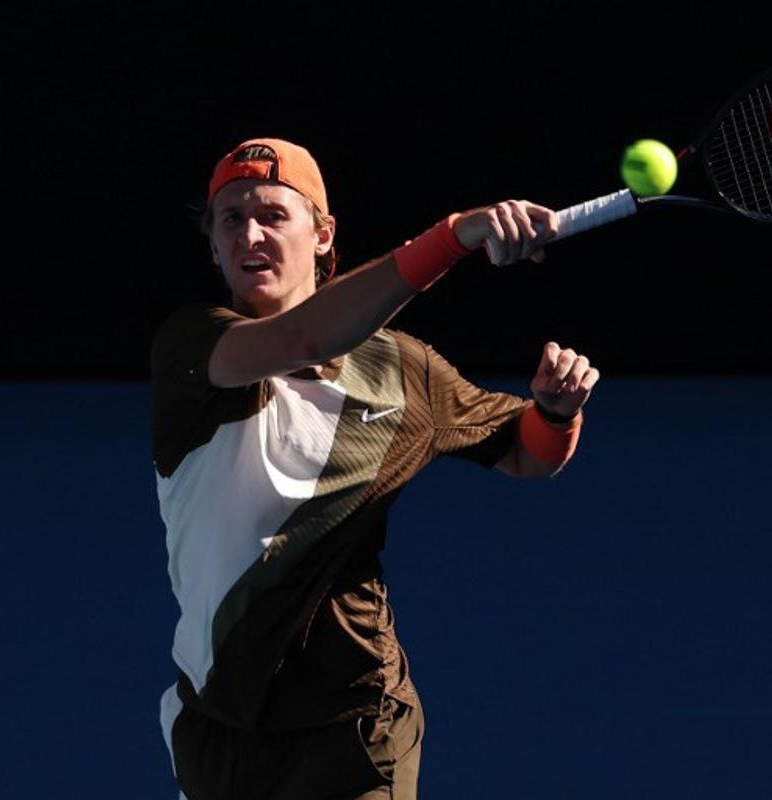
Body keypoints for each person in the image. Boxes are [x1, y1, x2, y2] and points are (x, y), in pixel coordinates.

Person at [152, 138, 599, 800]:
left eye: (274, 214)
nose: (251, 232)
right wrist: (452, 237)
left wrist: (557, 413)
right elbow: (300, 339)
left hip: (354, 727)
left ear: (324, 234)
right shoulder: (193, 348)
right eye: (231, 217)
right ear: (214, 246)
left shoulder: (400, 371)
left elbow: (526, 452)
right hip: (217, 726)